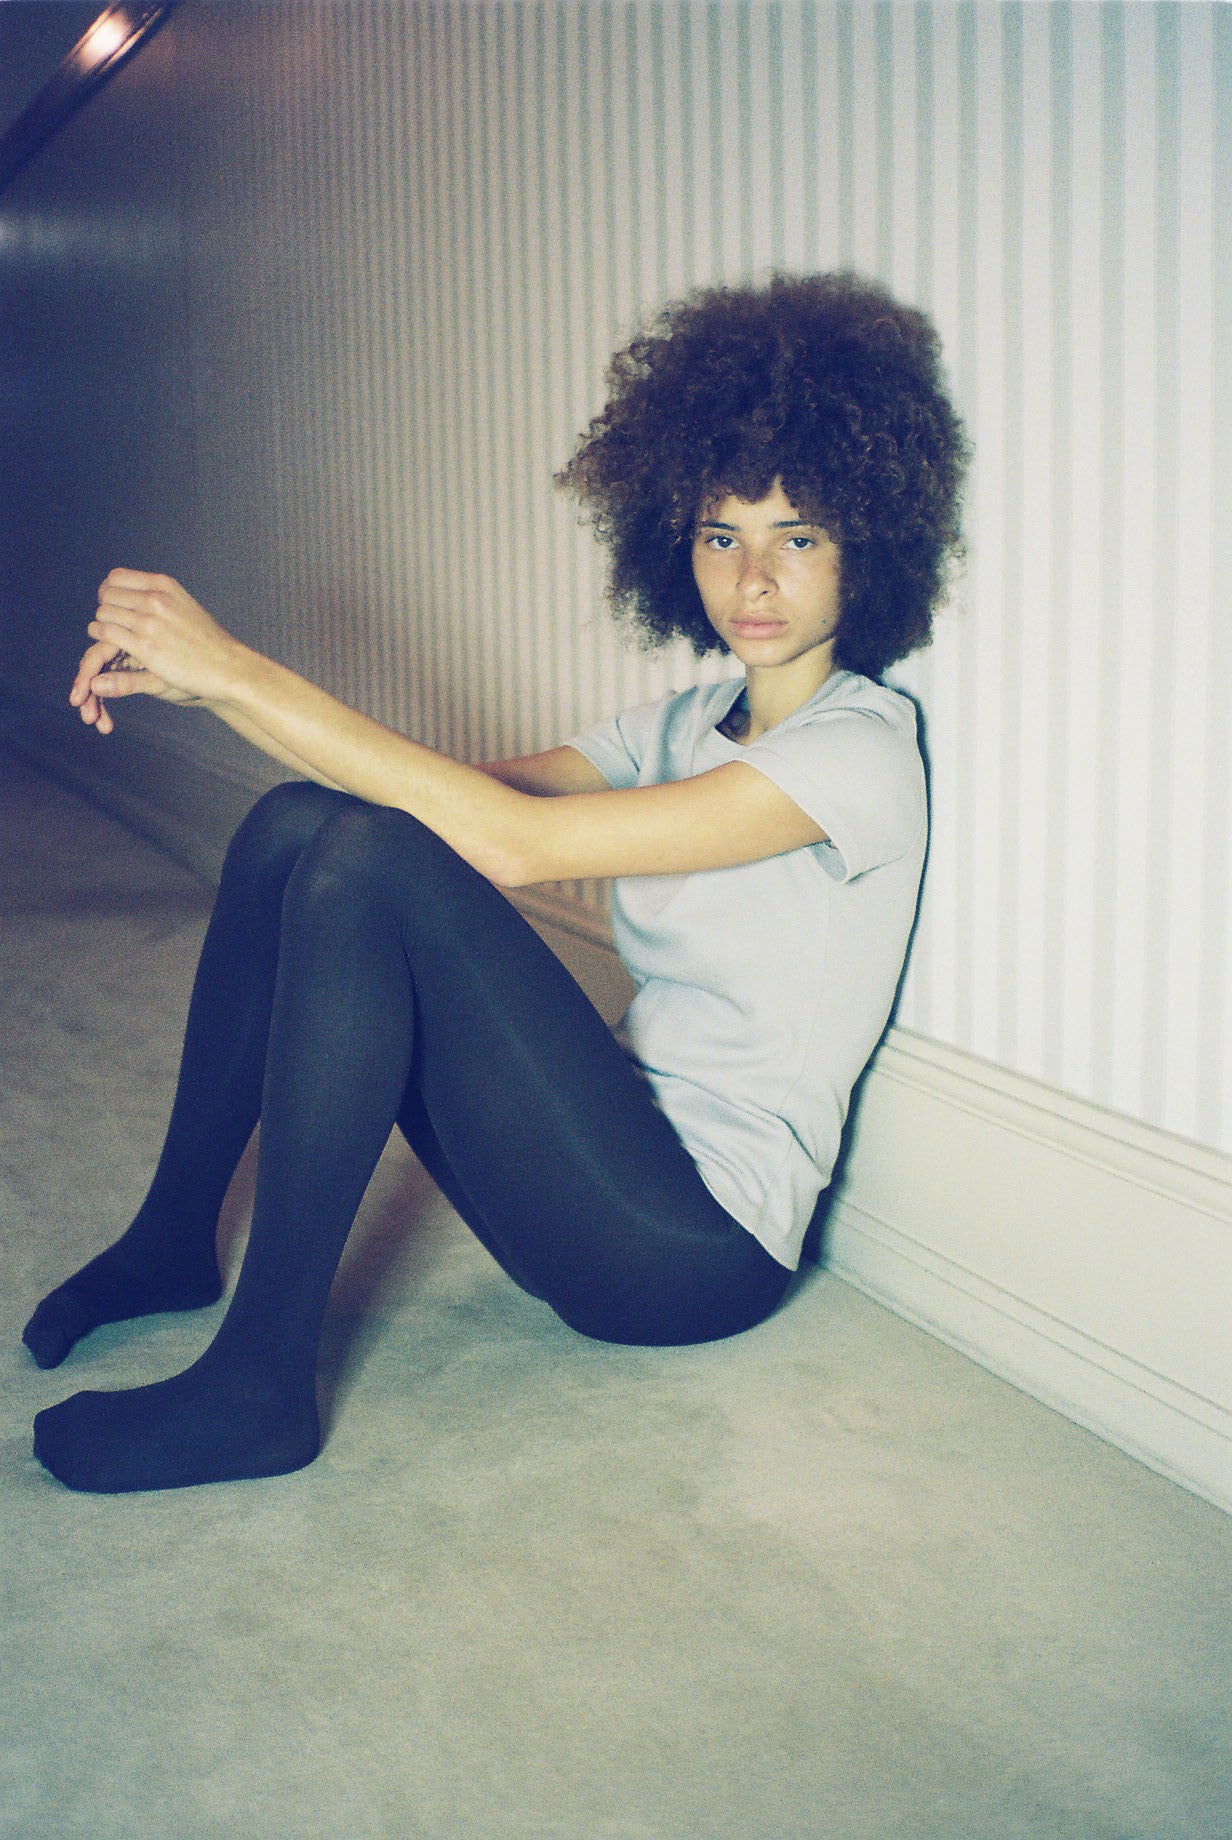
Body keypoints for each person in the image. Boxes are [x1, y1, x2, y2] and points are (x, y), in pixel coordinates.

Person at [25, 270, 969, 1493]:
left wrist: (239, 668)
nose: (751, 580)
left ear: (866, 545)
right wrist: (205, 692)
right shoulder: (684, 721)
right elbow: (429, 798)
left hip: (692, 1252)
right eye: (719, 536)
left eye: (797, 538)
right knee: (298, 827)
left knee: (369, 853)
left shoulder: (859, 752)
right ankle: (170, 1239)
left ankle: (259, 1385)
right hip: (589, 1167)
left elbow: (504, 845)